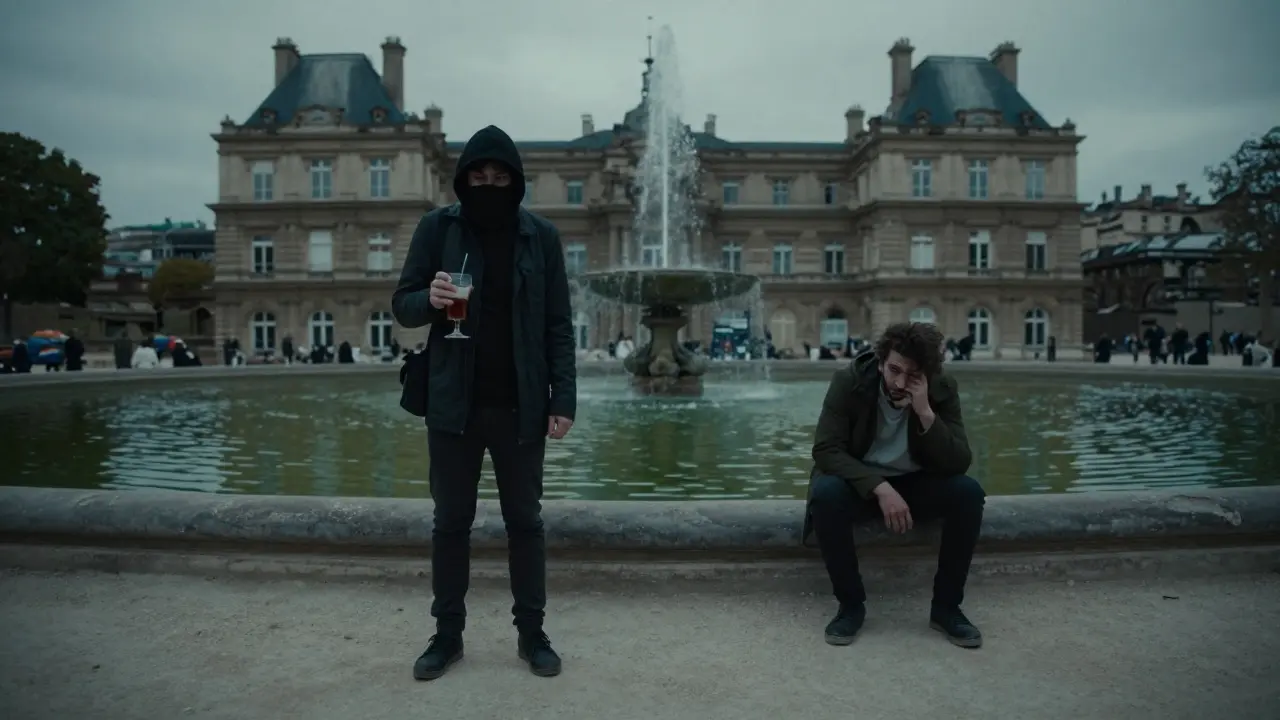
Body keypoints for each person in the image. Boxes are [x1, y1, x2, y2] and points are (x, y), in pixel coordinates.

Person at [392, 125, 577, 681]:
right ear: (464, 179)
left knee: (526, 523)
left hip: (521, 404)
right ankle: (447, 635)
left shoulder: (540, 236)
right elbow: (403, 305)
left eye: (500, 179)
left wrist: (562, 397)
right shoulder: (435, 229)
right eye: (480, 177)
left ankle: (532, 632)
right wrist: (430, 297)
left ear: (515, 182)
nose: (489, 186)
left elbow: (558, 326)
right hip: (453, 403)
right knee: (451, 523)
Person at [805, 321, 985, 649]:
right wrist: (880, 488)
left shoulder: (942, 389)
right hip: (862, 483)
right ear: (881, 361)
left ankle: (946, 608)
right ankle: (850, 606)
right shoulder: (850, 382)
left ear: (927, 374)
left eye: (912, 375)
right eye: (893, 370)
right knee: (825, 495)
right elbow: (826, 450)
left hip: (915, 483)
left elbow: (959, 462)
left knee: (968, 494)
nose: (899, 382)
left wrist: (926, 414)